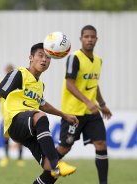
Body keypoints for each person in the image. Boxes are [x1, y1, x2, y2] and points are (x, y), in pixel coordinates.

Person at [0, 43, 79, 184]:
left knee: (50, 173)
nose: (44, 60)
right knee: (40, 117)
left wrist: (64, 115)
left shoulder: (40, 85)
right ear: (31, 57)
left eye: (48, 57)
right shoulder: (19, 74)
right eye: (40, 56)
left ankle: (53, 166)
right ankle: (56, 163)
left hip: (30, 127)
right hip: (15, 122)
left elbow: (43, 104)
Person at [56, 25, 112, 184]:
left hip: (92, 113)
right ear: (81, 39)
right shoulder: (74, 58)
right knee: (64, 148)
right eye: (86, 36)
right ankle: (47, 170)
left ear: (96, 39)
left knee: (101, 144)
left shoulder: (99, 60)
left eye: (92, 37)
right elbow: (70, 84)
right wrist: (88, 101)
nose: (89, 39)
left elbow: (94, 84)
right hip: (73, 113)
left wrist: (101, 103)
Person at [0, 64, 25, 167]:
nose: (9, 71)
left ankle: (20, 158)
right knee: (6, 137)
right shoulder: (0, 82)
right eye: (8, 70)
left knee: (20, 137)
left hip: (17, 113)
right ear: (5, 71)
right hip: (5, 115)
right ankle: (6, 157)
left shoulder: (18, 83)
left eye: (11, 70)